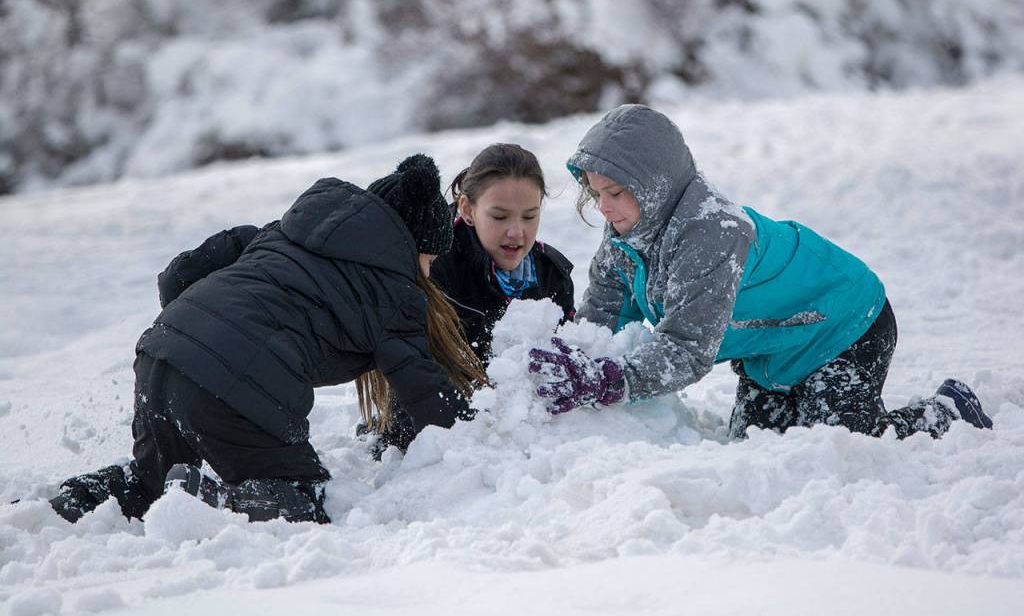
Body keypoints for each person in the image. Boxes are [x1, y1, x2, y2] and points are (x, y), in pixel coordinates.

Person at [48, 155, 487, 524]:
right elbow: (424, 388)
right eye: (430, 260)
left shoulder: (280, 233)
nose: (429, 273)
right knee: (307, 500)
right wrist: (477, 431)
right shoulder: (395, 292)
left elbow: (178, 274)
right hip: (235, 384)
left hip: (161, 353)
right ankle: (216, 502)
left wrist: (202, 332)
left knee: (150, 485)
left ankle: (70, 505)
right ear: (417, 248)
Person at [528, 104, 993, 439]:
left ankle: (947, 412)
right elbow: (606, 309)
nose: (604, 208)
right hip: (770, 344)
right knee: (755, 448)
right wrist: (575, 358)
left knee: (842, 444)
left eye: (615, 191)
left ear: (655, 184)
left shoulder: (711, 232)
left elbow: (687, 349)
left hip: (842, 325)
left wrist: (605, 379)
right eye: (596, 193)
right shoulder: (630, 226)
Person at [362, 143, 575, 452]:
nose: (517, 232)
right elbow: (405, 372)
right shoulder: (433, 267)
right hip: (441, 437)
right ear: (467, 210)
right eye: (500, 217)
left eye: (529, 216)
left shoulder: (552, 274)